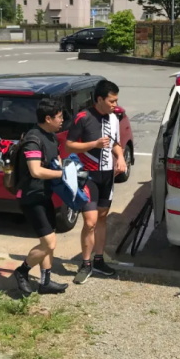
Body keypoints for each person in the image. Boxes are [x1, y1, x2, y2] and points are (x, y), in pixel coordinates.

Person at [66, 80, 128, 284]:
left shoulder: (114, 117)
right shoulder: (83, 117)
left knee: (102, 218)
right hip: (89, 175)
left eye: (116, 100)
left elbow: (116, 144)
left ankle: (98, 260)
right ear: (99, 99)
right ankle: (85, 263)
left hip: (107, 175)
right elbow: (69, 145)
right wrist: (93, 144)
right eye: (112, 100)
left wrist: (120, 158)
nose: (115, 104)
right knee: (90, 222)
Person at [11, 98, 69, 296]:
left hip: (45, 195)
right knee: (49, 243)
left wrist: (69, 172)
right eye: (60, 117)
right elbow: (35, 171)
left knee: (49, 240)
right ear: (48, 118)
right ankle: (22, 271)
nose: (62, 120)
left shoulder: (51, 136)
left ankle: (45, 282)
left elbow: (56, 162)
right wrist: (64, 174)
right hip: (31, 197)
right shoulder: (33, 139)